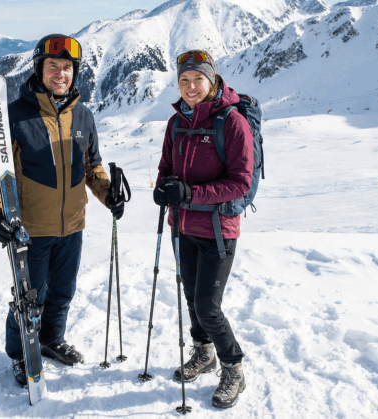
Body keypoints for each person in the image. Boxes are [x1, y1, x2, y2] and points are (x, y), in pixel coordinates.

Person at [0, 34, 126, 388]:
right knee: (30, 297)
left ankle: (50, 339)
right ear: (39, 70)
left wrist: (109, 196)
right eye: (53, 67)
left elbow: (93, 168)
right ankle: (20, 354)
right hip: (31, 228)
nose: (60, 74)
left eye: (67, 68)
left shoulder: (84, 116)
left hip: (72, 226)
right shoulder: (14, 116)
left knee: (63, 291)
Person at [153, 50, 251, 409]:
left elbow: (240, 182)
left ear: (212, 81)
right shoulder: (176, 122)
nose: (191, 87)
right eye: (184, 80)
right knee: (191, 297)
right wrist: (163, 188)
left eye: (198, 79)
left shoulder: (231, 122)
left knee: (208, 305)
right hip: (181, 226)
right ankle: (204, 353)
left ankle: (233, 366)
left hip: (217, 229)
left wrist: (191, 194)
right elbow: (166, 165)